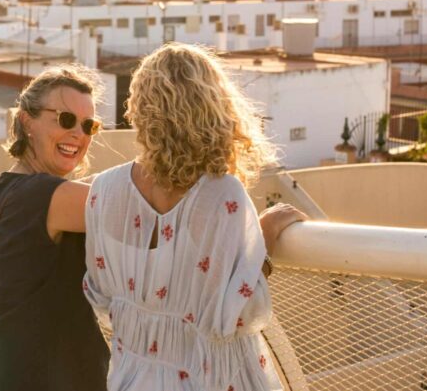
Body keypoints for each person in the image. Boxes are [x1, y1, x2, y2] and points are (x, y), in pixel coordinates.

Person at [83, 43, 306, 391]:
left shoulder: (104, 190)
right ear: (213, 107)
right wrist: (263, 236)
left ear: (140, 108)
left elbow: (101, 297)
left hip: (131, 377)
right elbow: (233, 314)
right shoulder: (221, 195)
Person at [0, 65, 109, 391]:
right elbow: (135, 210)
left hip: (8, 371)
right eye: (66, 119)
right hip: (40, 376)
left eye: (89, 125)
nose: (79, 134)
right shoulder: (43, 196)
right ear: (27, 120)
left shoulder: (3, 189)